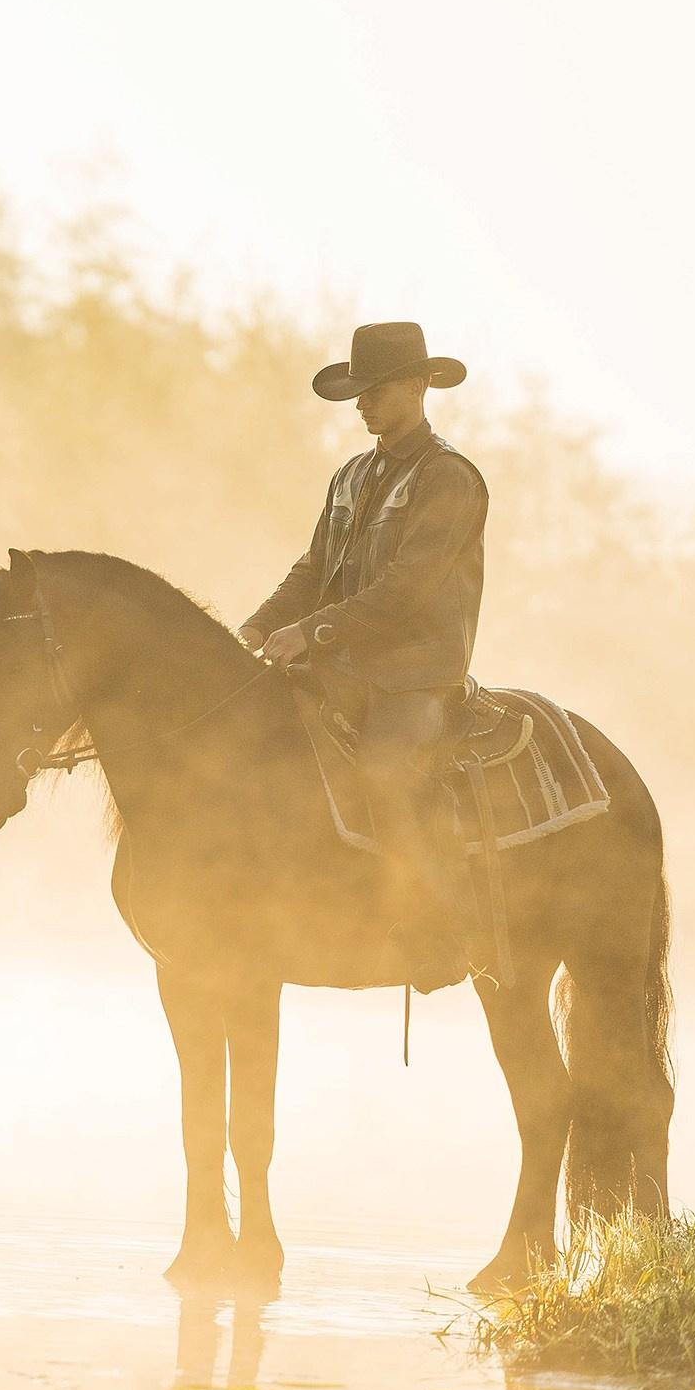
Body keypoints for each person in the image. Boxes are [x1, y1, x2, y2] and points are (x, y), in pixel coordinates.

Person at [236, 322, 488, 988]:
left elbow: (407, 589)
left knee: (387, 771)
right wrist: (257, 627)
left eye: (375, 388)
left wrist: (314, 633)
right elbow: (311, 570)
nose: (362, 403)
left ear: (418, 385)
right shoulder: (350, 476)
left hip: (415, 673)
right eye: (357, 391)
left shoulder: (450, 478)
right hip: (341, 665)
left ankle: (438, 931)